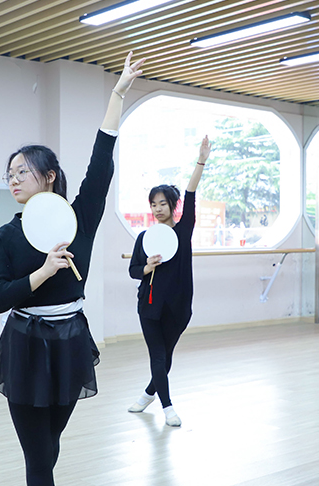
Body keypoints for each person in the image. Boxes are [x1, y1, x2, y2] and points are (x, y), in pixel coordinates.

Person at [0, 52, 145, 486]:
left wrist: (116, 96)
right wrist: (42, 272)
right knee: (38, 459)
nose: (13, 179)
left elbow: (100, 167)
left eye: (22, 171)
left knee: (50, 447)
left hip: (70, 341)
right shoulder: (6, 235)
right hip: (25, 344)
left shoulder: (80, 219)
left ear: (50, 175)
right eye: (10, 174)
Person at [127, 135, 211, 427]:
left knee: (166, 357)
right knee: (158, 357)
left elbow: (191, 192)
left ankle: (147, 394)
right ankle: (167, 407)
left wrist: (201, 161)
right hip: (149, 307)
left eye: (162, 203)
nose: (157, 209)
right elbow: (133, 270)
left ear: (172, 205)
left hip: (178, 307)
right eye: (153, 204)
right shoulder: (144, 237)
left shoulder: (183, 231)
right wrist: (147, 267)